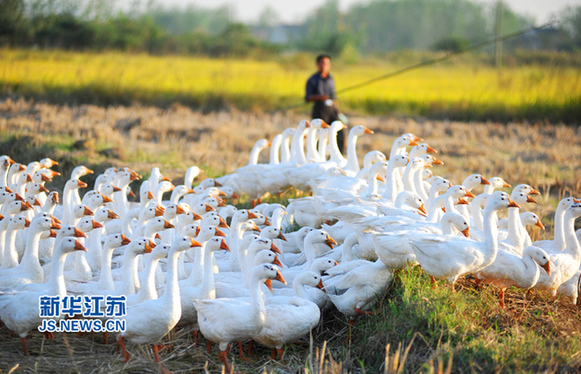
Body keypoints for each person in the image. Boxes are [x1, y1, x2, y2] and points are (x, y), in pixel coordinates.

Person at [305, 54, 346, 154]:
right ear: (317, 64)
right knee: (320, 134)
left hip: (332, 109)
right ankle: (318, 156)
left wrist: (338, 111)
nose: (325, 66)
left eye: (327, 63)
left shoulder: (331, 78)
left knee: (340, 133)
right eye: (322, 63)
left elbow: (334, 96)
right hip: (320, 109)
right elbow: (308, 97)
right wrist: (320, 97)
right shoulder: (312, 80)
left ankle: (339, 155)